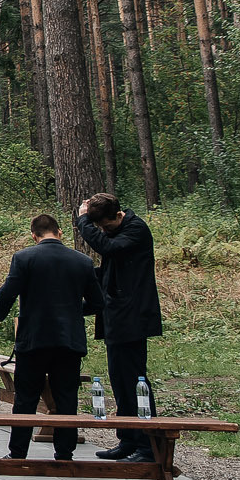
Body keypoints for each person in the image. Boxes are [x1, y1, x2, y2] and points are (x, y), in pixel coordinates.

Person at [0, 213, 102, 461]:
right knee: (66, 397)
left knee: (25, 399)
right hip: (68, 340)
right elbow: (98, 302)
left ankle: (18, 453)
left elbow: (7, 293)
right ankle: (64, 454)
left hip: (34, 339)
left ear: (34, 235)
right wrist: (73, 309)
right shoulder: (82, 261)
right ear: (60, 232)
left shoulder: (24, 258)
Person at [75, 191, 163, 461]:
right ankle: (128, 438)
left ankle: (148, 446)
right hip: (116, 317)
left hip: (132, 317)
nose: (103, 231)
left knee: (135, 381)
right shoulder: (118, 232)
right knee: (120, 380)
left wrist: (83, 221)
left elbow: (107, 248)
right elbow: (109, 271)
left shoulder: (135, 230)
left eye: (104, 226)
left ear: (117, 215)